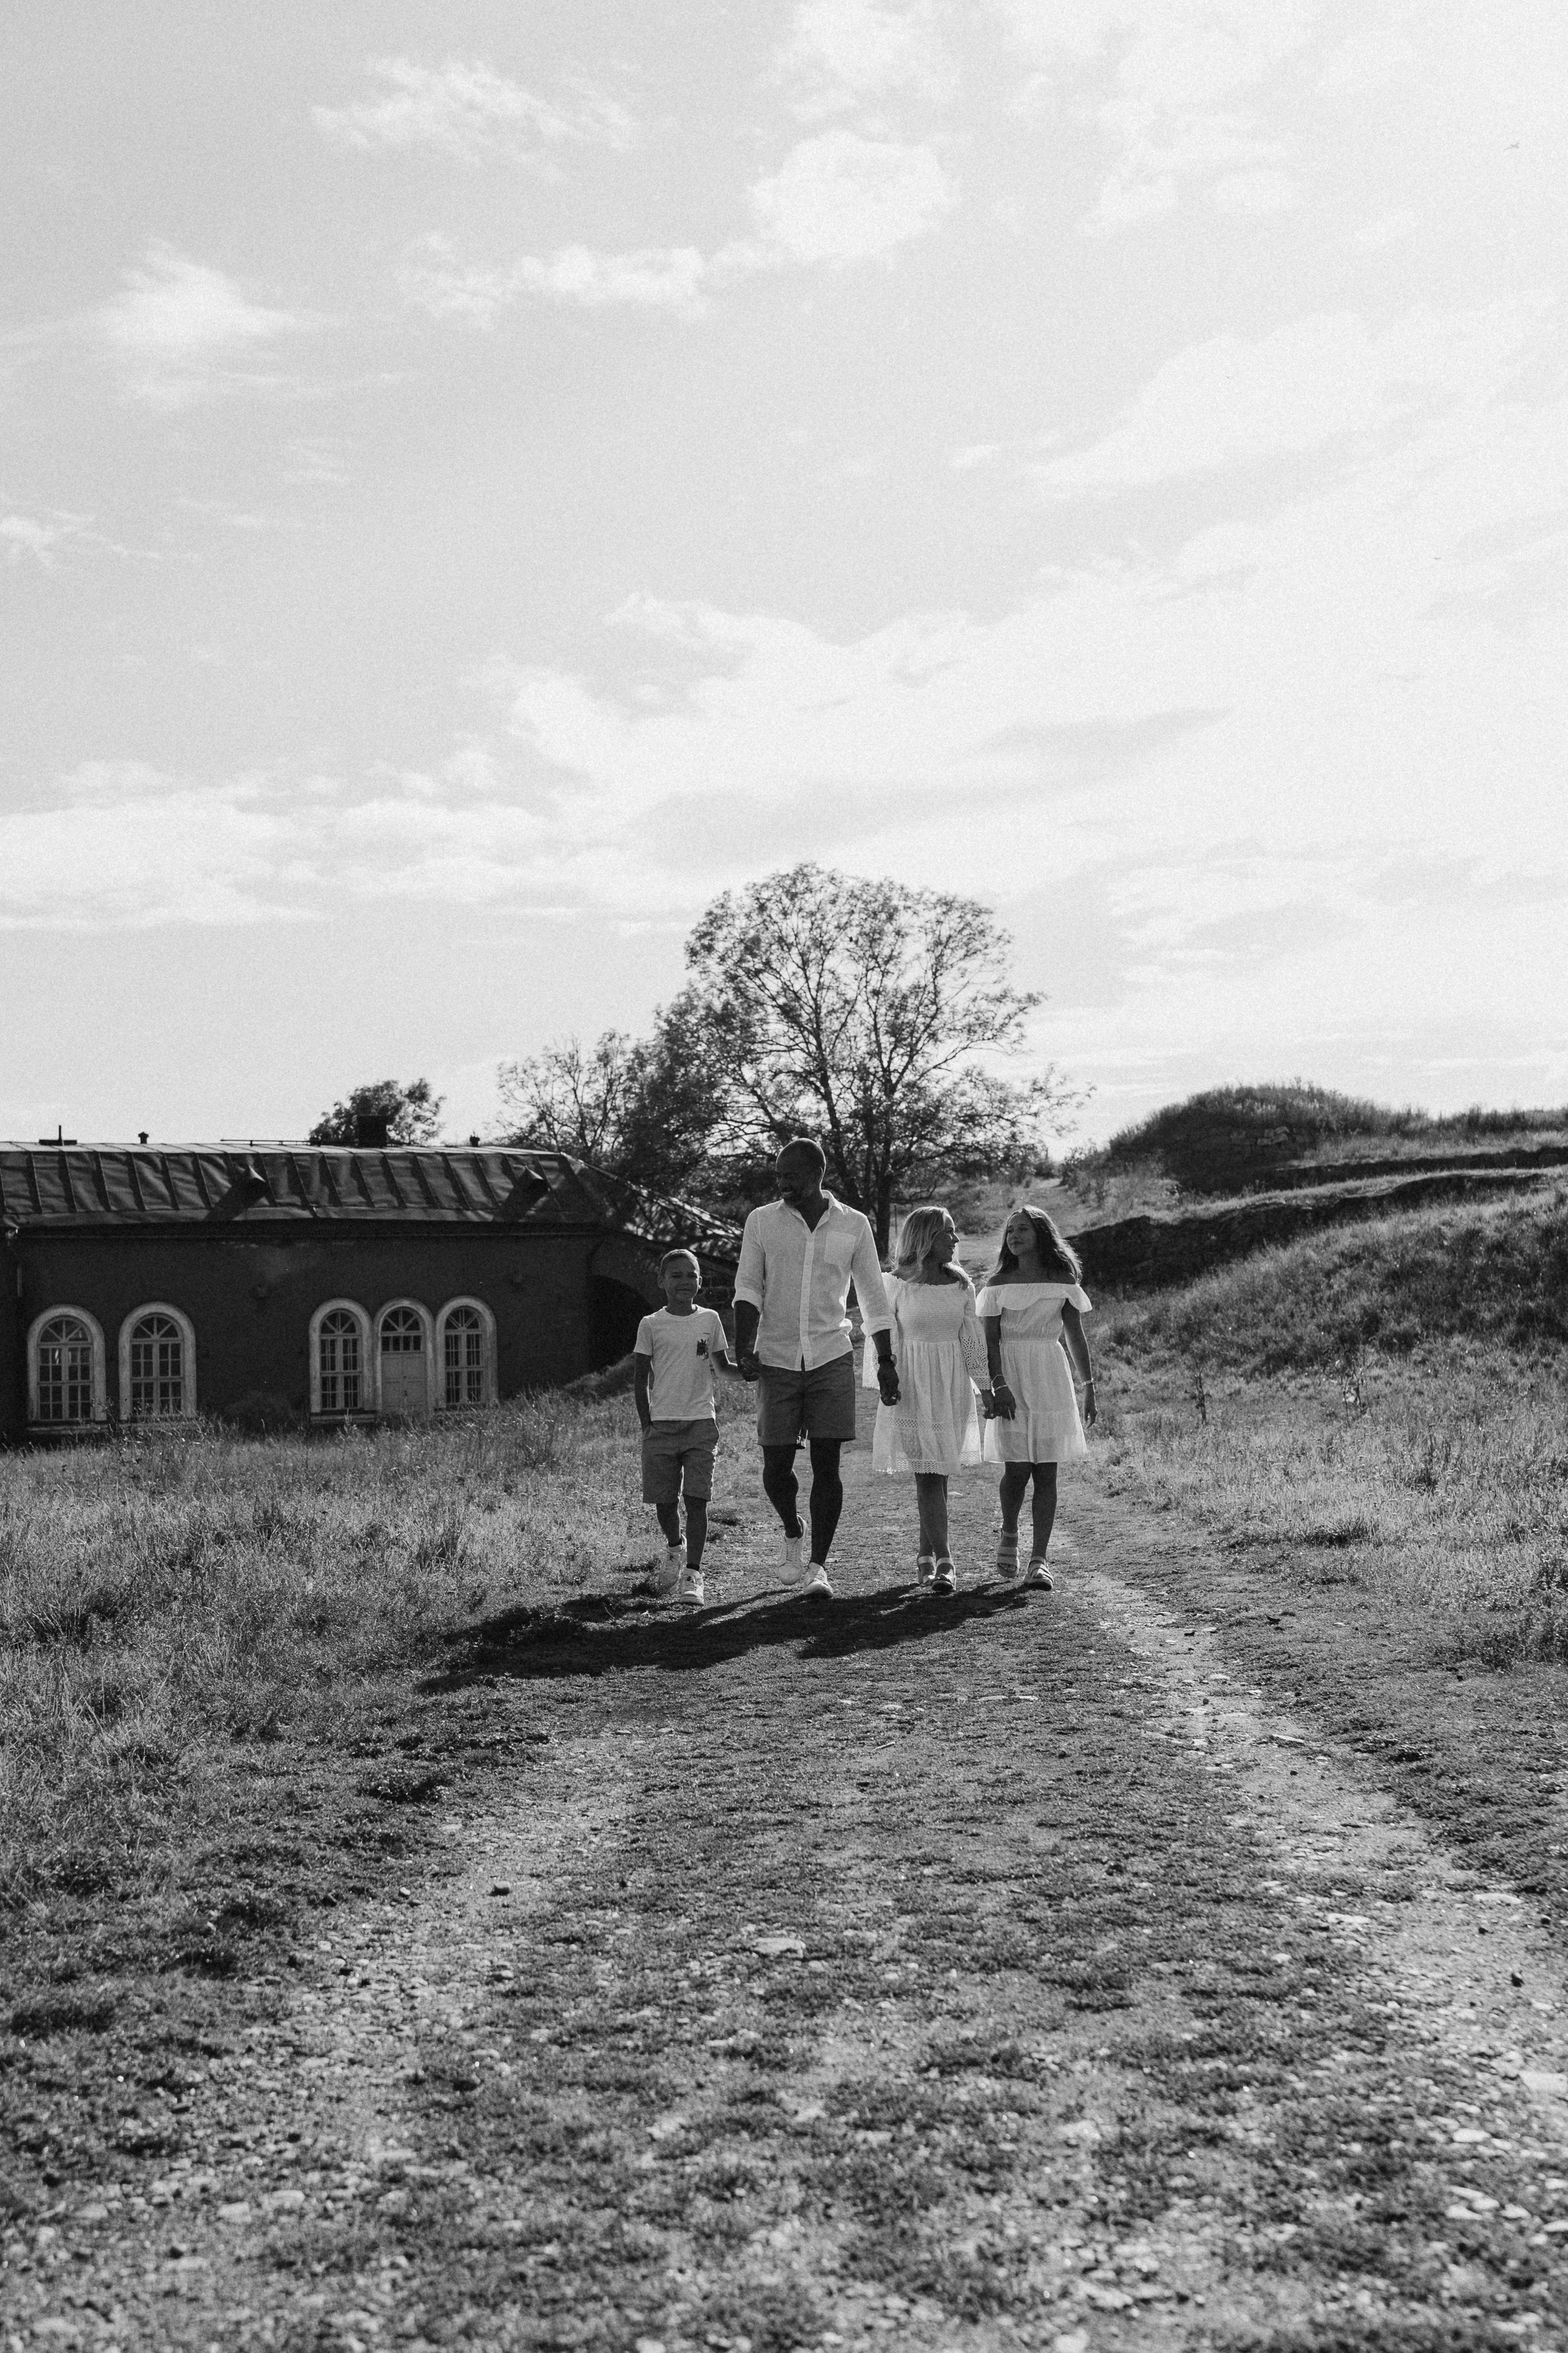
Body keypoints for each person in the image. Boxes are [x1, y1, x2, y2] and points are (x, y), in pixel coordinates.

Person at [733, 1137, 899, 1602]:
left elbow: (874, 1298)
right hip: (777, 1356)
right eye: (778, 1176)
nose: (783, 1183)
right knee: (776, 1467)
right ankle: (793, 1527)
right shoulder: (761, 1221)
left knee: (828, 1464)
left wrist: (886, 1360)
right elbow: (748, 1288)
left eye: (792, 1175)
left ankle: (818, 1567)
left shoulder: (854, 1224)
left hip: (831, 1355)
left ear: (817, 1174)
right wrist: (744, 1347)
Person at [865, 1204, 992, 1596]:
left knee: (939, 1472)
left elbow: (972, 1341)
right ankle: (946, 1562)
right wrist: (885, 1378)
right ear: (925, 1237)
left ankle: (925, 1554)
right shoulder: (895, 1283)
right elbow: (883, 1334)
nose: (956, 1239)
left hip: (951, 1385)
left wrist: (986, 1388)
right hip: (913, 1385)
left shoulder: (961, 1285)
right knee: (928, 1473)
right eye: (948, 1232)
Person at [979, 1204, 1096, 1590]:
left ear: (1041, 1234)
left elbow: (1075, 1334)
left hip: (1050, 1374)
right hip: (1010, 1374)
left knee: (1047, 1470)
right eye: (1010, 1231)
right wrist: (998, 1384)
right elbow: (990, 1340)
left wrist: (1089, 1386)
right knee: (1017, 1470)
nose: (1014, 1236)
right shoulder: (997, 1282)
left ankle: (1039, 1560)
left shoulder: (1063, 1279)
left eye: (1023, 1229)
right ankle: (1010, 1530)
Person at [633, 1248, 735, 1607]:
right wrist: (647, 1425)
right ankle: (675, 1548)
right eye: (676, 1275)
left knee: (697, 1501)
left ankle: (693, 1574)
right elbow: (640, 1379)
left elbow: (724, 1368)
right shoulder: (651, 1324)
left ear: (700, 1281)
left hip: (701, 1425)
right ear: (661, 1281)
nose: (684, 1281)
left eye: (691, 1275)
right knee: (665, 1503)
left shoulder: (710, 1319)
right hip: (660, 1428)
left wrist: (758, 1370)